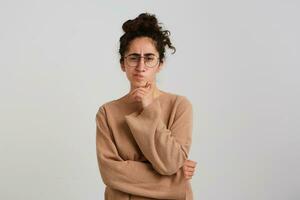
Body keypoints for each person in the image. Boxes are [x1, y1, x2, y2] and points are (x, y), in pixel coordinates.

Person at [95, 12, 197, 200]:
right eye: (133, 58)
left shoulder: (179, 106)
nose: (141, 66)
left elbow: (170, 163)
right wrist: (175, 179)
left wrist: (149, 109)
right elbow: (110, 173)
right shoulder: (107, 112)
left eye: (149, 58)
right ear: (122, 64)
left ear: (160, 64)